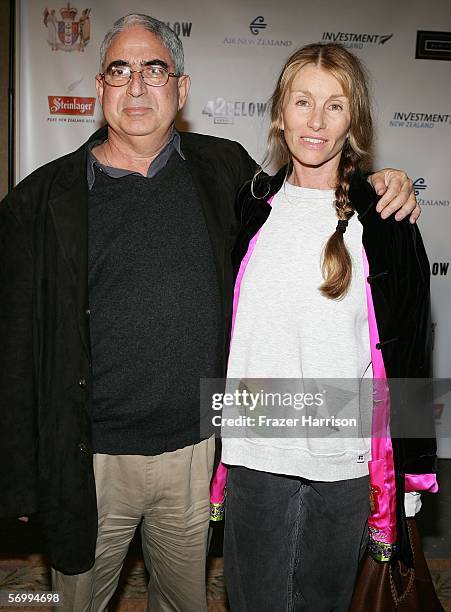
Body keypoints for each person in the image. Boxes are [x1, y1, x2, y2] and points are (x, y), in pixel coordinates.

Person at [0, 14, 421, 612]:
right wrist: (19, 472)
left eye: (155, 70)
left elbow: (315, 193)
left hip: (197, 453)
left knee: (188, 603)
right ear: (98, 88)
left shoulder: (226, 174)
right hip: (89, 461)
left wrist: (385, 183)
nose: (138, 87)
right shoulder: (40, 200)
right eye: (121, 71)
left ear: (182, 88)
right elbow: (16, 343)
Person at [216, 43, 438, 611]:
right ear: (279, 112)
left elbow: (411, 348)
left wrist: (411, 478)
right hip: (254, 451)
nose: (315, 121)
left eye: (334, 106)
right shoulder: (250, 204)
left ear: (354, 121)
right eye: (302, 102)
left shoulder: (385, 219)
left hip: (344, 459)